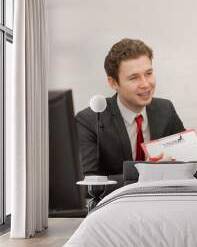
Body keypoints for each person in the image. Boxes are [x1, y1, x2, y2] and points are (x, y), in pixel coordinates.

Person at [76, 38, 185, 181]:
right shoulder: (89, 120)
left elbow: (190, 163)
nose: (146, 84)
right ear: (113, 82)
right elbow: (87, 182)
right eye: (134, 78)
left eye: (148, 73)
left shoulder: (165, 109)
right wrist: (147, 173)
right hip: (117, 201)